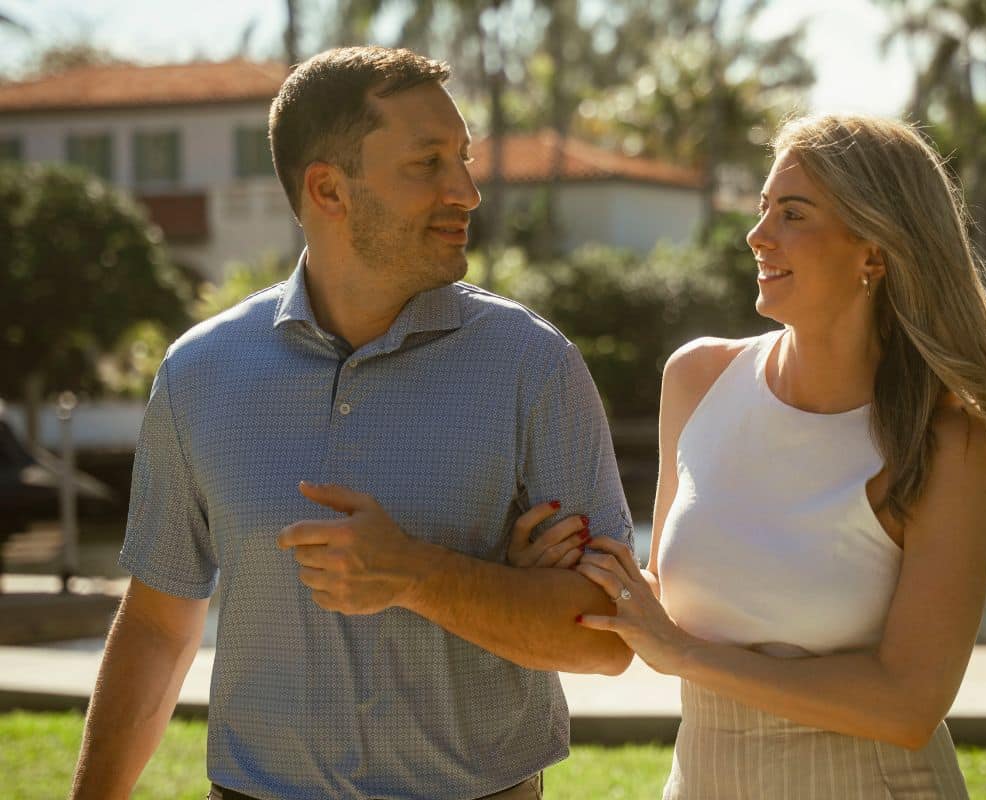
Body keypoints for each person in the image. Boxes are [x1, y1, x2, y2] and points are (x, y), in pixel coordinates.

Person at [69, 46, 635, 800]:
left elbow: (607, 632)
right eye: (428, 162)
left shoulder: (534, 366)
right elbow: (157, 627)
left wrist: (418, 573)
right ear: (329, 189)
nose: (465, 191)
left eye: (463, 158)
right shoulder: (198, 374)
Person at [512, 113, 986, 798]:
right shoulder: (697, 380)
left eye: (792, 214)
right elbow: (662, 602)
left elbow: (910, 705)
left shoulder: (946, 439)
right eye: (763, 209)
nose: (756, 236)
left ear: (873, 252)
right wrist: (547, 571)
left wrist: (686, 655)